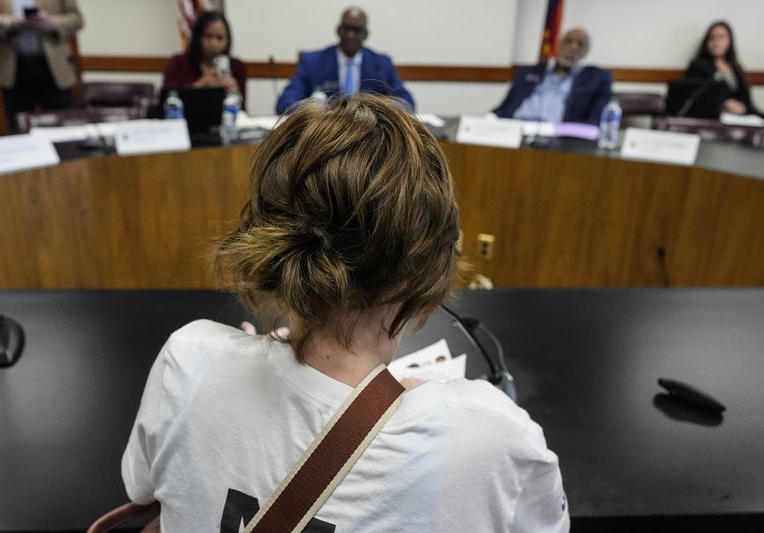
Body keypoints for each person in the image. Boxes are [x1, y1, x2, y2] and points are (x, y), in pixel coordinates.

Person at [121, 94, 569, 532]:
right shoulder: (493, 437)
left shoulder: (189, 359)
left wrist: (236, 362)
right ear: (423, 267)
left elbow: (146, 489)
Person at [0, 0, 84, 132]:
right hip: (13, 68)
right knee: (19, 130)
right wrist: (8, 22)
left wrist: (52, 23)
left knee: (60, 131)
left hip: (56, 69)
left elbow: (77, 19)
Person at [275, 7, 415, 114]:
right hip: (324, 133)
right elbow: (287, 100)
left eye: (356, 30)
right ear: (338, 30)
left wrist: (382, 112)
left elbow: (407, 102)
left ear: (365, 34)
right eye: (346, 29)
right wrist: (314, 110)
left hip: (370, 135)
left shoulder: (381, 64)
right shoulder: (313, 61)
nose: (350, 35)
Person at [493, 28, 612, 125]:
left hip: (556, 134)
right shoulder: (528, 71)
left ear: (586, 51)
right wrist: (489, 119)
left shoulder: (596, 78)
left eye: (580, 44)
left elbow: (595, 119)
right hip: (516, 125)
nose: (573, 47)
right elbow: (505, 106)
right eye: (568, 41)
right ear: (558, 44)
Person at [162, 10, 247, 110]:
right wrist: (200, 86)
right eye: (208, 36)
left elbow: (243, 111)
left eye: (219, 38)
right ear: (198, 38)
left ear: (228, 41)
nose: (213, 43)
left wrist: (234, 93)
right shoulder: (178, 62)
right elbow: (166, 102)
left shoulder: (238, 66)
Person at [686, 21, 762, 117]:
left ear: (729, 41)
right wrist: (724, 104)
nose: (716, 42)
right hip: (716, 117)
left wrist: (747, 110)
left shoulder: (735, 67)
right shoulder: (698, 65)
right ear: (706, 42)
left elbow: (747, 100)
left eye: (721, 37)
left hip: (742, 116)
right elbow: (695, 99)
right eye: (712, 38)